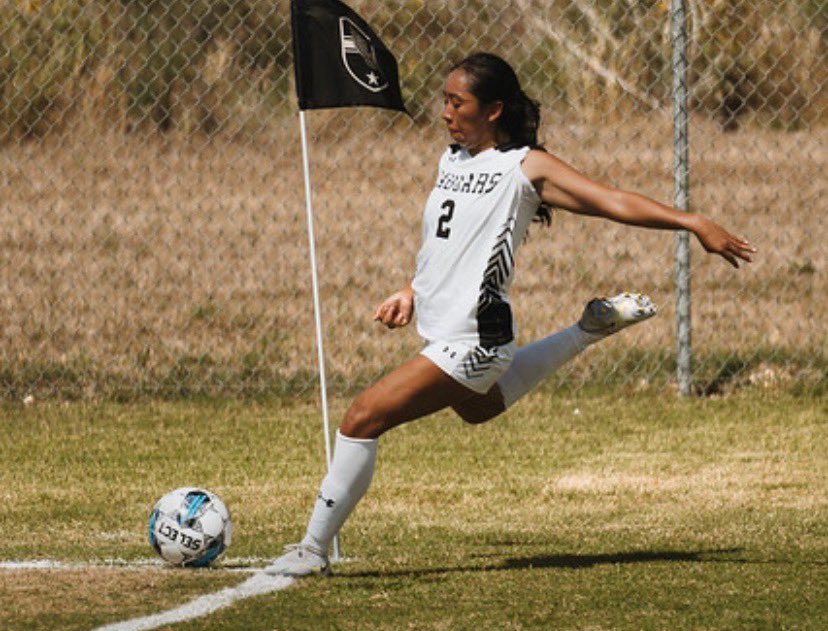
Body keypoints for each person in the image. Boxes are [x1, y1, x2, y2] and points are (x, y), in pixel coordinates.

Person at [265, 53, 755, 577]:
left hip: (476, 338)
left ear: (494, 109)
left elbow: (612, 200)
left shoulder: (527, 167)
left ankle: (311, 551)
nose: (447, 113)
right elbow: (445, 244)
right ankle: (586, 330)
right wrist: (412, 289)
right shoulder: (449, 159)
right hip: (451, 334)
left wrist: (692, 221)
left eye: (459, 103)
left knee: (363, 418)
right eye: (445, 101)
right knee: (478, 408)